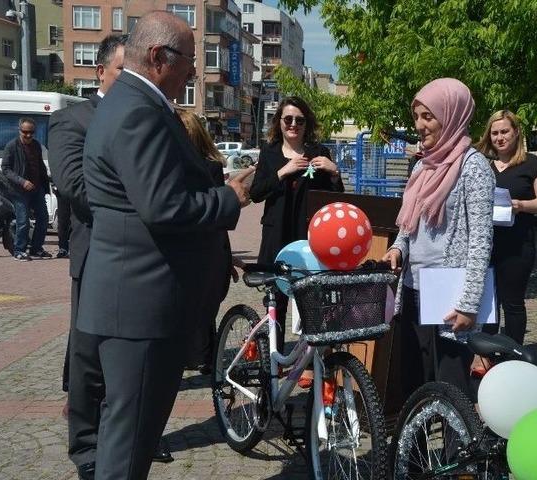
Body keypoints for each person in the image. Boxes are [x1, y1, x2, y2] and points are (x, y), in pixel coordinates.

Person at [76, 12, 251, 480]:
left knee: (128, 436)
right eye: (189, 61)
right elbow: (164, 207)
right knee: (129, 443)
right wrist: (227, 198)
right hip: (141, 307)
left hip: (132, 302)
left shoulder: (127, 103)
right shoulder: (138, 110)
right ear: (158, 57)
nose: (192, 72)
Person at [46, 34, 178, 480]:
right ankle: (87, 448)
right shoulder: (75, 120)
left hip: (140, 259)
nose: (131, 78)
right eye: (123, 70)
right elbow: (73, 185)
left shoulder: (153, 113)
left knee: (126, 374)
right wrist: (133, 204)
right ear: (101, 71)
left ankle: (125, 440)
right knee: (88, 360)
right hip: (98, 251)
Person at [381, 78, 495, 403]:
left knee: (450, 385)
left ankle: (452, 453)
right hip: (415, 286)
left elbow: (481, 241)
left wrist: (469, 303)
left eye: (428, 116)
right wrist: (397, 247)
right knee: (413, 382)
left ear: (451, 115)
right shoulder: (422, 166)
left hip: (450, 294)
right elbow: (410, 222)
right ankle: (414, 451)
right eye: (417, 116)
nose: (419, 125)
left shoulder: (474, 167)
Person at [249, 96, 343, 365]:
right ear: (279, 123)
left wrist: (334, 173)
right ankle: (273, 366)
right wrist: (283, 171)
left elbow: (334, 200)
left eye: (299, 120)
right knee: (275, 301)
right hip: (276, 235)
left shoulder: (318, 152)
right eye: (287, 119)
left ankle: (311, 365)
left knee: (311, 302)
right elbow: (256, 193)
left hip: (307, 238)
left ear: (306, 124)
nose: (293, 125)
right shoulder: (269, 153)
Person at [474, 110, 537, 373]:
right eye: (494, 133)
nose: (499, 137)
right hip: (485, 245)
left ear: (516, 132)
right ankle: (486, 357)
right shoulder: (483, 165)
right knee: (488, 304)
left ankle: (514, 358)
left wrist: (521, 205)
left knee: (513, 303)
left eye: (504, 131)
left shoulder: (533, 164)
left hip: (518, 245)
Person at [177, 108, 255, 373]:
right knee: (204, 309)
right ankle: (204, 357)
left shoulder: (201, 166)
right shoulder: (208, 164)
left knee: (198, 308)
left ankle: (201, 357)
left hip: (202, 247)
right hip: (211, 247)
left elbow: (210, 214)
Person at [1, 117, 52, 261]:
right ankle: (19, 250)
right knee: (23, 221)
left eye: (31, 132)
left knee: (43, 218)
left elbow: (40, 166)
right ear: (19, 130)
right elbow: (5, 169)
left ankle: (36, 248)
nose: (28, 135)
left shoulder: (36, 145)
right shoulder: (12, 146)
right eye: (25, 132)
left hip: (37, 189)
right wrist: (22, 181)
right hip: (19, 191)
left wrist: (47, 182)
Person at [54, 191, 71, 258]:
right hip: (62, 191)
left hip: (77, 191)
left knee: (76, 222)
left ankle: (72, 248)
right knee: (62, 221)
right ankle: (63, 248)